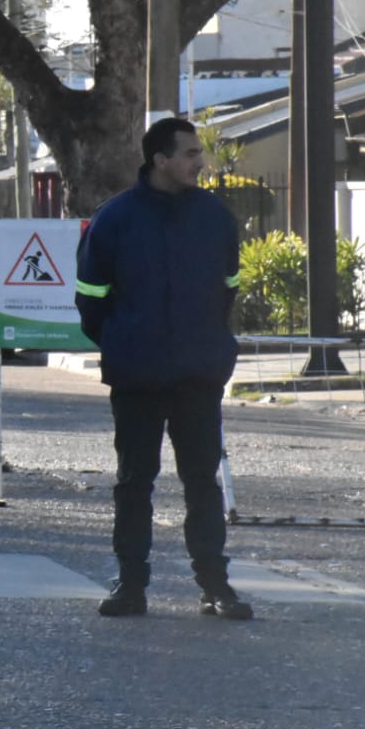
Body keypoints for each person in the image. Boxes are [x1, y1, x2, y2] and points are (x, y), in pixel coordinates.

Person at [74, 116, 253, 621]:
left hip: (198, 373)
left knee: (202, 481)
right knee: (135, 481)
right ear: (161, 160)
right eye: (191, 153)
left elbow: (228, 287)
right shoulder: (114, 219)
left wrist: (212, 344)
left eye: (199, 152)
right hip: (137, 374)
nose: (201, 161)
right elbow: (90, 297)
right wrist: (119, 341)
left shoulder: (215, 217)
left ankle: (216, 587)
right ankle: (130, 585)